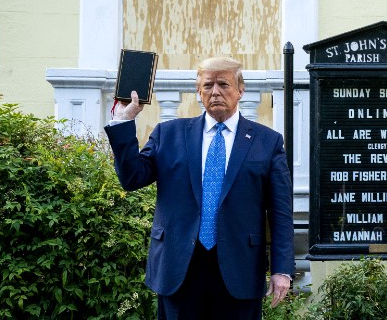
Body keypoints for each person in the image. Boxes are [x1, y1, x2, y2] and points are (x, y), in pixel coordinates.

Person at [105, 56, 295, 320]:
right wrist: (123, 123)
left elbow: (280, 212)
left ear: (240, 90)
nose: (215, 92)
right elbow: (132, 178)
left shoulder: (267, 142)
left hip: (239, 269)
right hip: (179, 267)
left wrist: (282, 269)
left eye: (223, 84)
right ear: (198, 91)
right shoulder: (168, 134)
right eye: (207, 85)